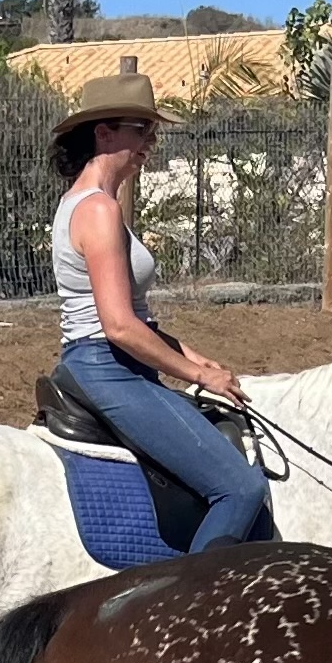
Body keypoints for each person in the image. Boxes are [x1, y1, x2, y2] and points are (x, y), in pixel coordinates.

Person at [49, 72, 272, 551]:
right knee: (241, 487)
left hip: (109, 362)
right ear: (104, 134)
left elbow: (134, 317)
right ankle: (193, 609)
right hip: (109, 368)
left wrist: (193, 355)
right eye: (142, 129)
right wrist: (198, 374)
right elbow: (119, 326)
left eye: (154, 132)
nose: (152, 141)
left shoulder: (93, 204)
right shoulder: (98, 212)